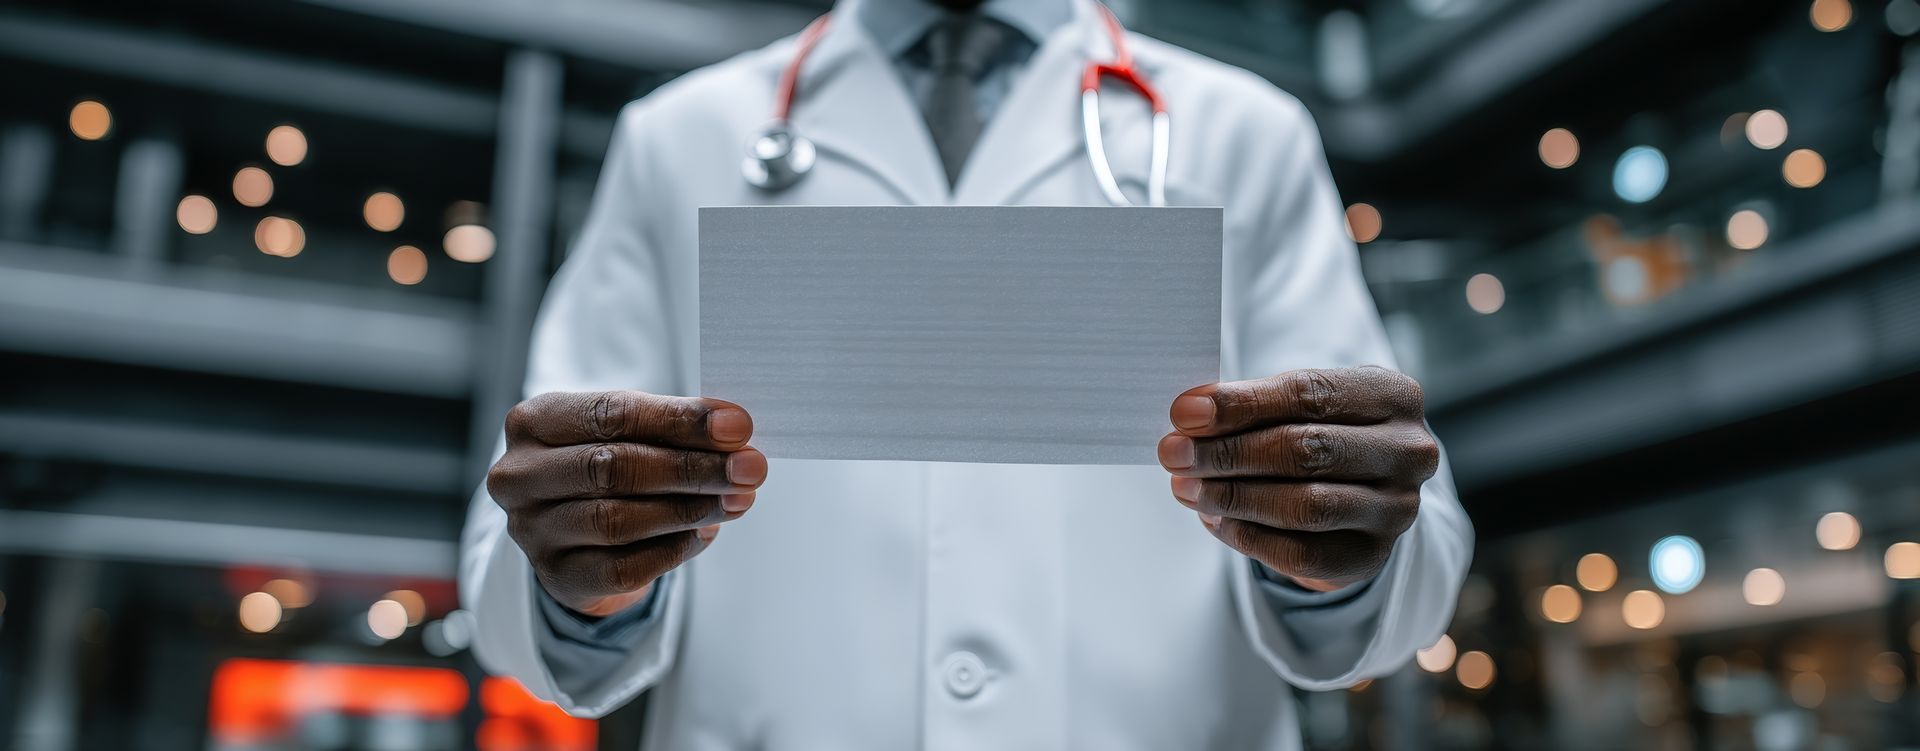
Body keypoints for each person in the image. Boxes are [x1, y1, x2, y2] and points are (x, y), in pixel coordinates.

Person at [461, 0, 1473, 747]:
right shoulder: (677, 139)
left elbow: (1394, 537)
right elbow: (533, 534)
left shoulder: (1249, 133)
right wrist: (574, 574)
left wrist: (1345, 550)